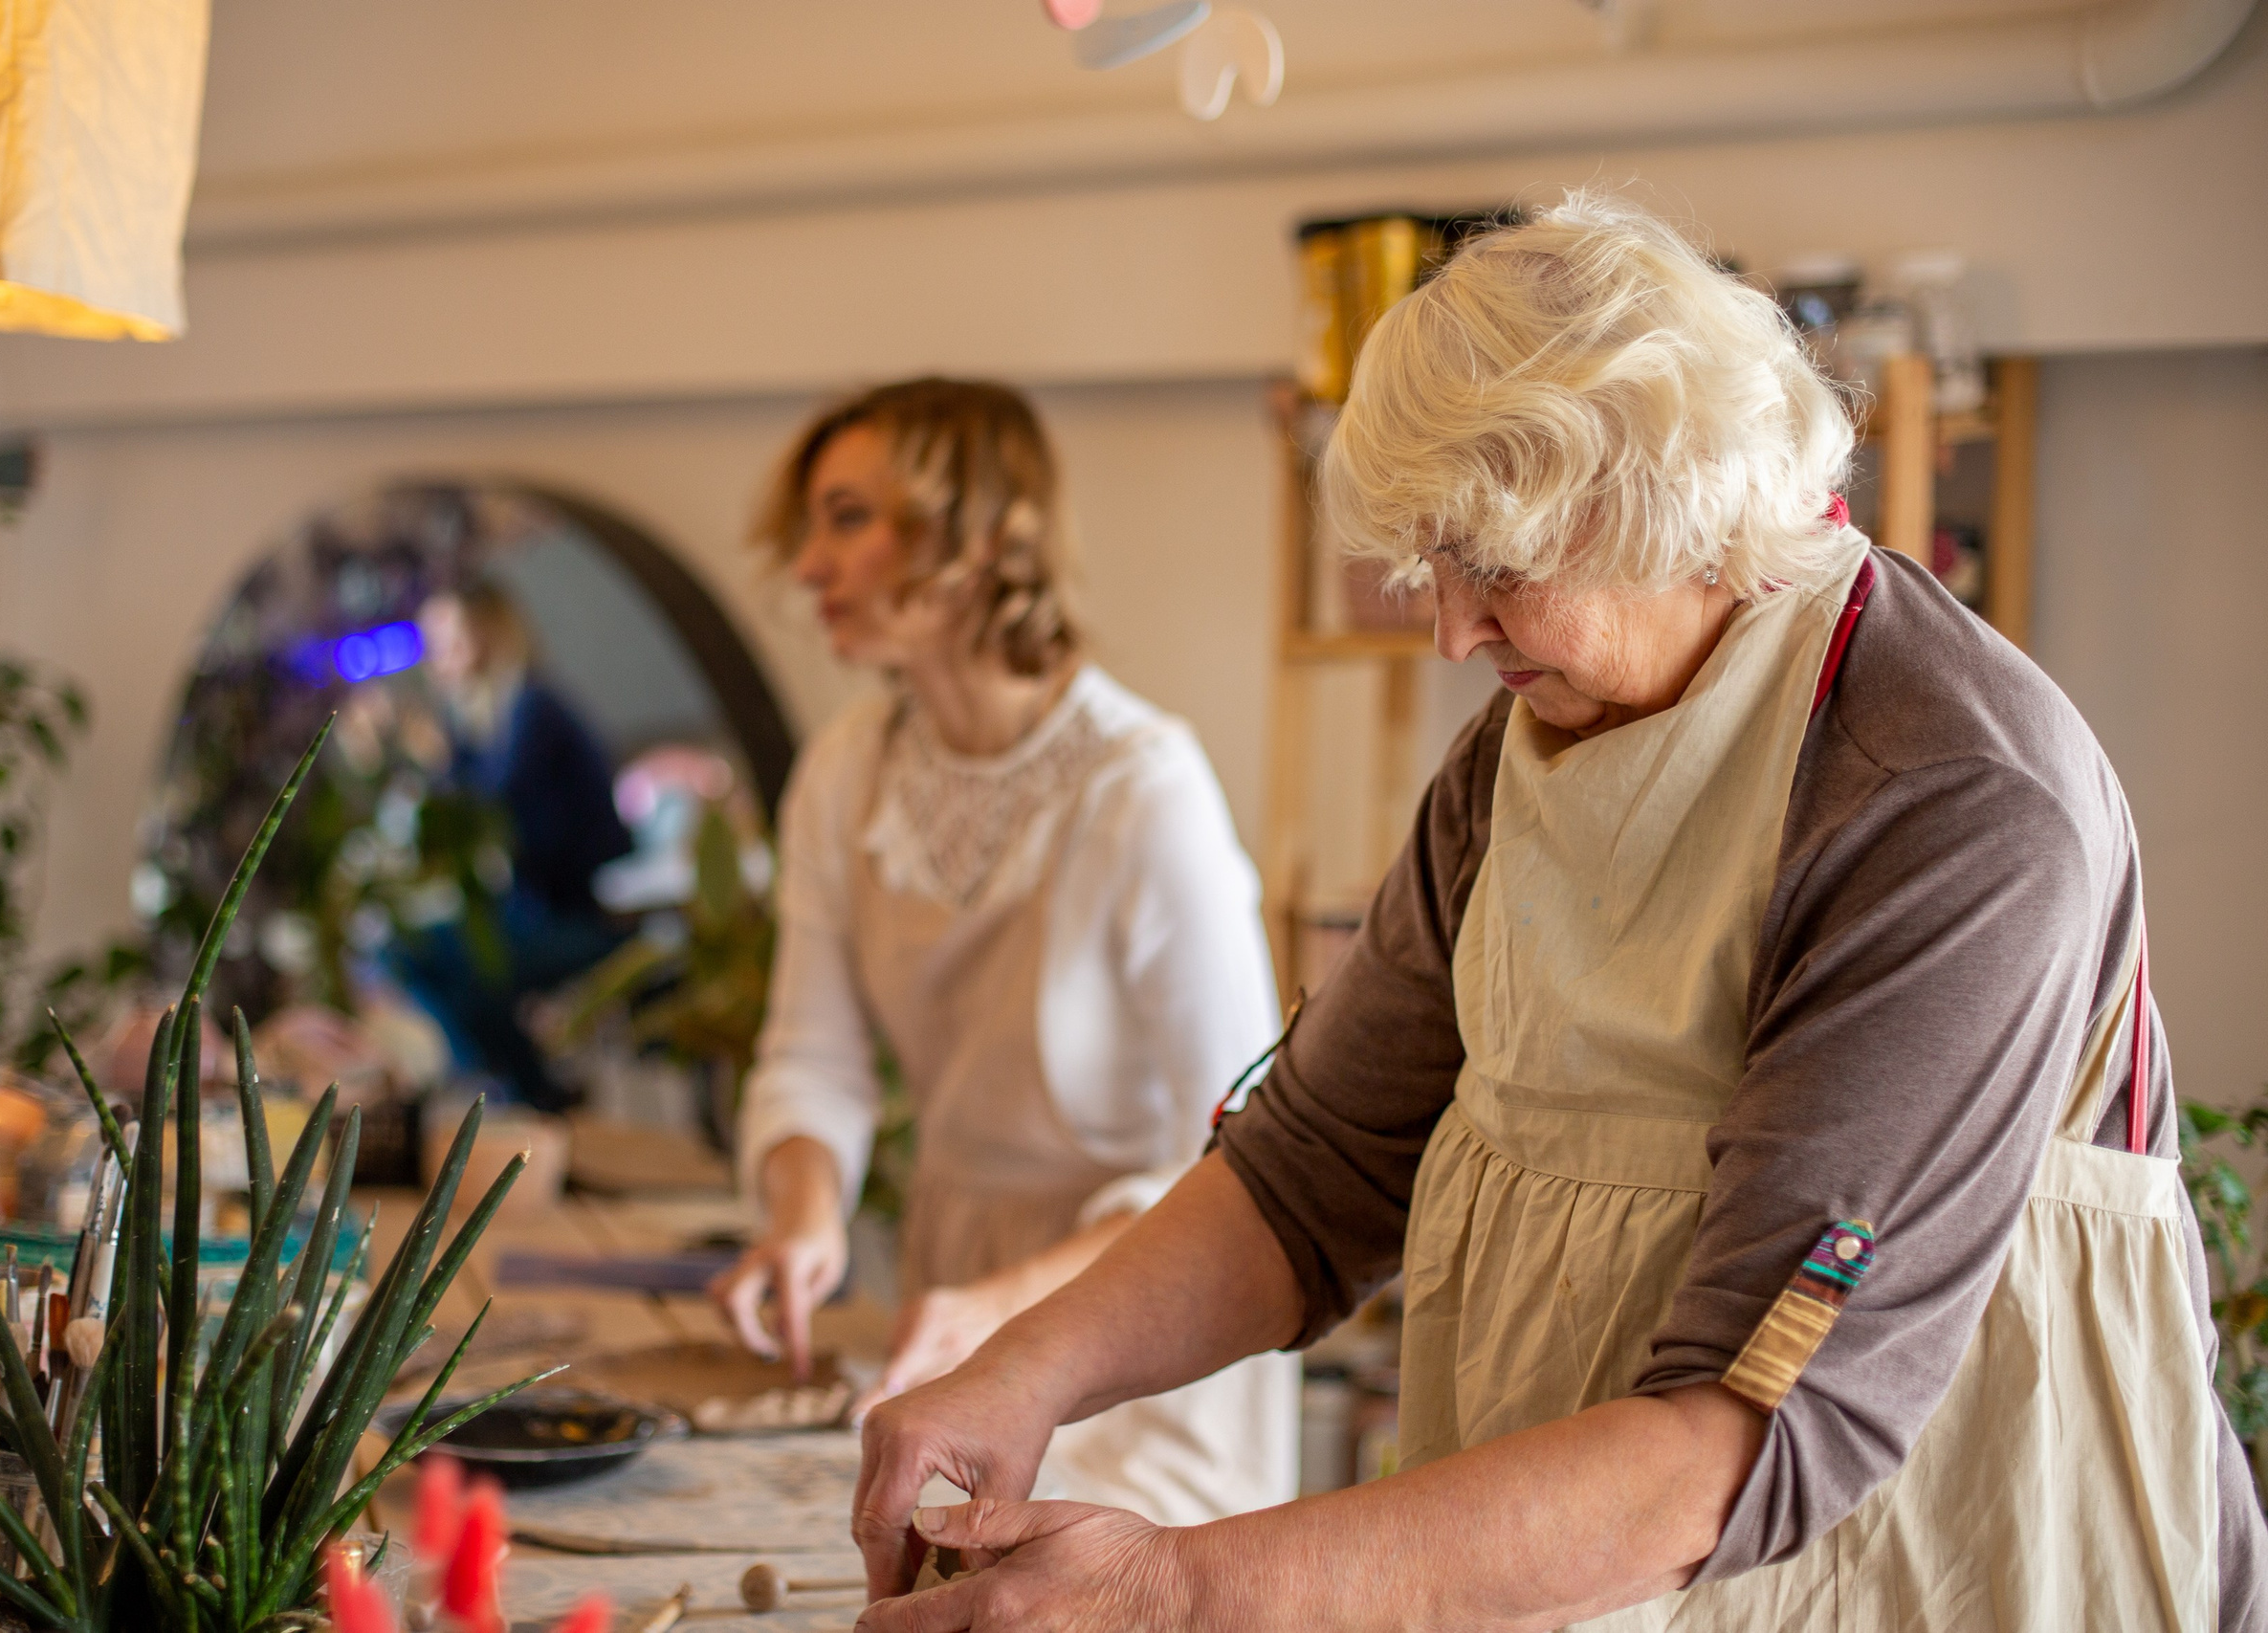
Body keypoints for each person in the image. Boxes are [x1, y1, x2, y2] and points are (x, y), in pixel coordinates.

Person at [850, 198, 2268, 1632]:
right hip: (1600, 1558)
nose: (1453, 631)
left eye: (1495, 564)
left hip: (1933, 1557)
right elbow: (1313, 1171)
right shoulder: (1528, 744)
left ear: (1675, 501)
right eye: (1431, 566)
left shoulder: (1945, 792)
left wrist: (1178, 1586)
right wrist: (1017, 1371)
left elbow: (1743, 1433)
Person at [710, 378, 1298, 1525]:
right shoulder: (847, 771)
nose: (810, 569)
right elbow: (812, 1058)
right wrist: (804, 1212)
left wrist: (1012, 1311)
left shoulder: (1142, 790)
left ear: (974, 536)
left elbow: (1252, 1151)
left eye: (847, 519)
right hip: (956, 1285)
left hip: (1154, 1321)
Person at [388, 581, 630, 1111]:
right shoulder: (484, 717)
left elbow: (497, 821)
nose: (435, 656)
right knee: (413, 951)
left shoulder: (533, 711)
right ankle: (522, 1090)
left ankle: (521, 1095)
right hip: (529, 914)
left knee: (439, 960)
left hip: (576, 919)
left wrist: (438, 764)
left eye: (445, 637)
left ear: (486, 632)